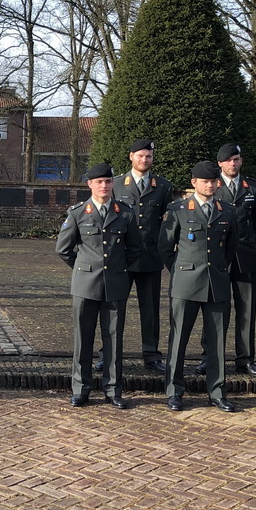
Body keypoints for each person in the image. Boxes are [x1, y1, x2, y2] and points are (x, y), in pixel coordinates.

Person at [56, 162, 143, 407]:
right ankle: (80, 388)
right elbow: (63, 249)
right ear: (90, 185)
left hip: (115, 284)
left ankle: (113, 389)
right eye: (99, 182)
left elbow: (135, 248)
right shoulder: (77, 213)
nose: (104, 186)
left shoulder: (125, 213)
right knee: (83, 338)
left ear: (112, 183)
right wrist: (84, 268)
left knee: (114, 338)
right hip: (85, 286)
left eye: (108, 181)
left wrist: (117, 267)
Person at [159, 161, 240, 412]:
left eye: (214, 181)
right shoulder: (178, 210)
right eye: (205, 181)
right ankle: (174, 391)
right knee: (179, 339)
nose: (210, 185)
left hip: (217, 283)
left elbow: (231, 247)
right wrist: (182, 270)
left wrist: (218, 269)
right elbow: (165, 247)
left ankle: (217, 392)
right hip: (186, 284)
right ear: (194, 182)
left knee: (217, 342)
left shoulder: (227, 211)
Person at [197, 143, 256, 377]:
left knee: (247, 310)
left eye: (236, 159)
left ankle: (245, 358)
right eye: (228, 160)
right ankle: (209, 357)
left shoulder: (254, 188)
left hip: (245, 257)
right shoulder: (212, 186)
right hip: (218, 258)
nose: (233, 164)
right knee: (215, 310)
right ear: (220, 164)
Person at [111, 138, 172, 374]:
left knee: (150, 310)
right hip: (122, 258)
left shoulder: (163, 187)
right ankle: (110, 354)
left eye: (148, 156)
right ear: (131, 157)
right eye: (140, 156)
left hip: (150, 257)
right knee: (115, 309)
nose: (144, 160)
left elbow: (167, 224)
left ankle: (151, 354)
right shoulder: (117, 185)